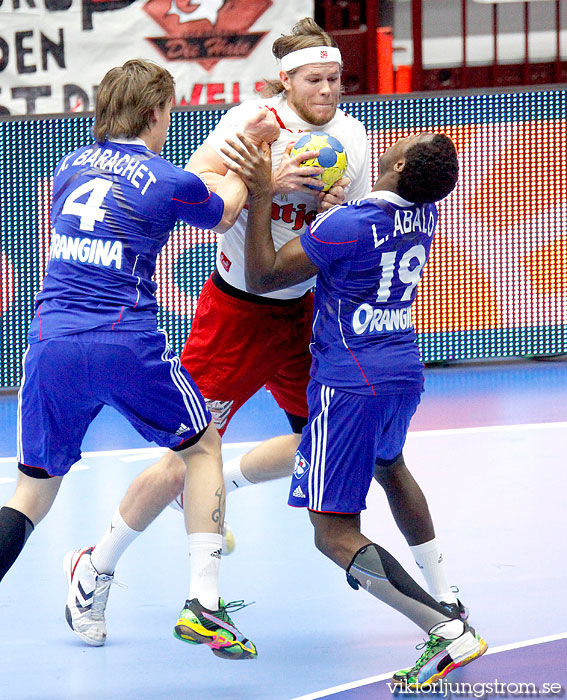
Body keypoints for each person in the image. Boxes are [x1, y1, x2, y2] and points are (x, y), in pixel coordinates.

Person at [64, 17, 371, 642]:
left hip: (306, 309)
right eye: (315, 78)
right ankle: (94, 568)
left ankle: (221, 482)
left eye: (336, 78)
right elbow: (199, 190)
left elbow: (350, 224)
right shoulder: (251, 123)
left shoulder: (352, 136)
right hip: (237, 312)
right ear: (285, 80)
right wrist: (266, 183)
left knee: (328, 441)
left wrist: (337, 210)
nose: (329, 89)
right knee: (185, 454)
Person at [0, 59, 257, 660]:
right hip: (122, 342)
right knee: (202, 446)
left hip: (50, 344)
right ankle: (203, 601)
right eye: (168, 113)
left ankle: (91, 576)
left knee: (31, 492)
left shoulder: (68, 167)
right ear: (153, 113)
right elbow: (222, 210)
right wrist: (244, 164)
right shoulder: (166, 177)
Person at [223, 129, 488, 688]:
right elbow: (366, 234)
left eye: (401, 148)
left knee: (333, 533)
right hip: (401, 369)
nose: (393, 146)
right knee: (391, 469)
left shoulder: (349, 226)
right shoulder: (422, 214)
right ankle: (447, 595)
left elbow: (264, 275)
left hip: (350, 383)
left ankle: (444, 631)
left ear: (395, 169)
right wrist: (334, 214)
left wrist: (262, 192)